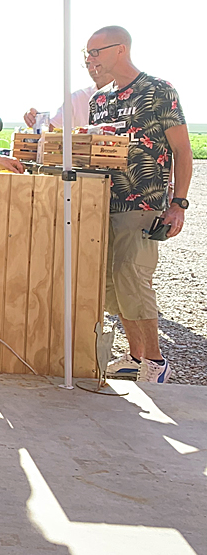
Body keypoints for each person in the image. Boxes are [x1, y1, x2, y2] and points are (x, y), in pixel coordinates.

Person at [85, 26, 192, 384]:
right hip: (102, 203)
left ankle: (156, 362)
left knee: (132, 277)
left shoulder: (159, 90)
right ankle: (135, 357)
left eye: (96, 51)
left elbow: (182, 151)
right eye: (87, 53)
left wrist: (178, 204)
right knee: (111, 284)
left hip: (142, 203)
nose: (90, 59)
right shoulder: (99, 101)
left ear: (121, 49)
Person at [23, 60, 114, 129]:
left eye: (96, 63)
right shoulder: (77, 98)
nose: (91, 69)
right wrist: (35, 119)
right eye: (87, 64)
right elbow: (52, 130)